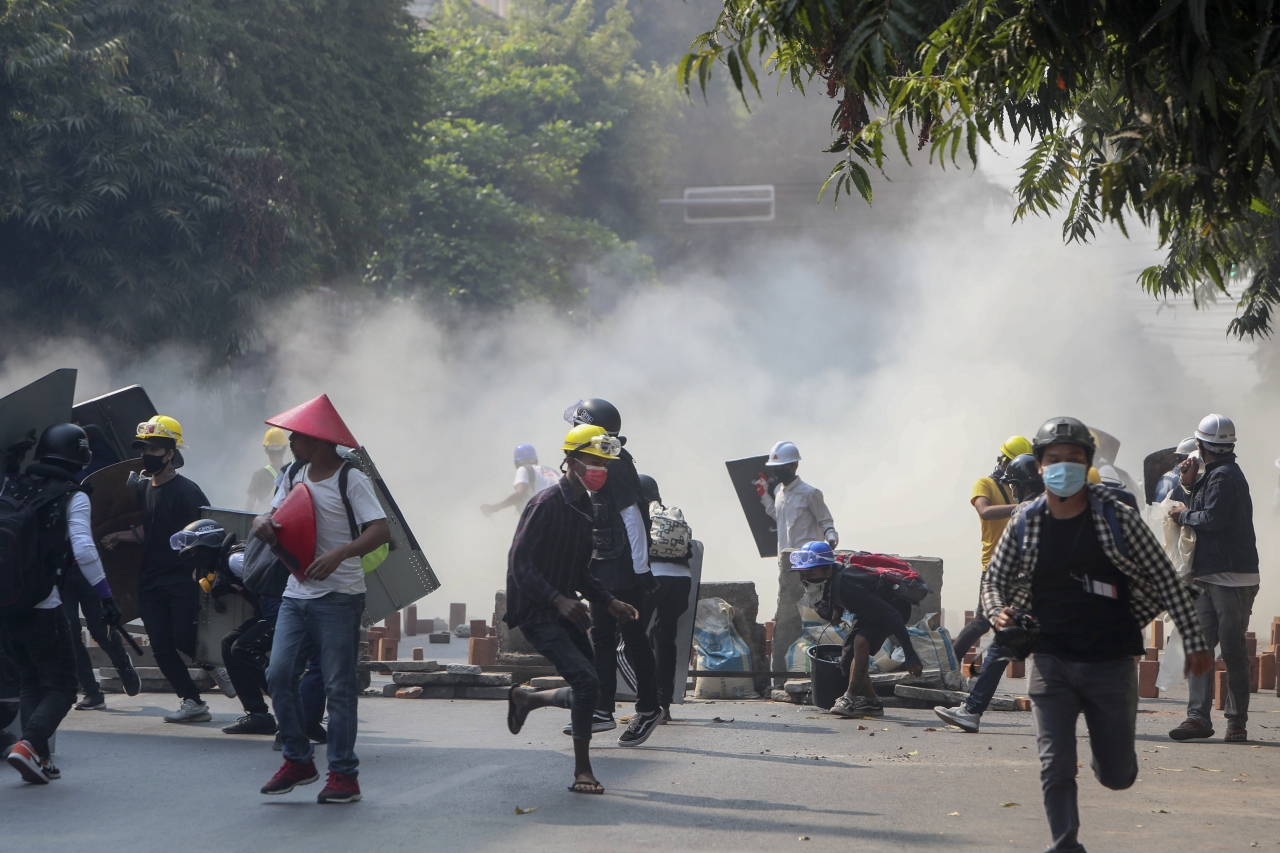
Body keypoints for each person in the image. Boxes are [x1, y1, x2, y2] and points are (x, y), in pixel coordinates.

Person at [983, 416, 1211, 853]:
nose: (1063, 466)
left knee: (1116, 773)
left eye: (1073, 459)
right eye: (1054, 460)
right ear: (1040, 466)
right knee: (1055, 764)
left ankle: (1110, 757)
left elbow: (1165, 579)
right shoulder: (1026, 521)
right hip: (1050, 659)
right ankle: (1065, 844)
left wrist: (1196, 641)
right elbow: (994, 580)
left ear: (1086, 463)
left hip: (1110, 661)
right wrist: (998, 613)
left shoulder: (1117, 518)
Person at [255, 395, 390, 805]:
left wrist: (340, 554)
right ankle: (298, 759)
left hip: (340, 597)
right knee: (278, 674)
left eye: (297, 436)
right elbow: (275, 514)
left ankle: (343, 776)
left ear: (317, 440)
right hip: (296, 592)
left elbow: (381, 530)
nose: (291, 442)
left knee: (339, 687)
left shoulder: (351, 479)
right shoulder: (292, 472)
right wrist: (263, 523)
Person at [503, 424, 639, 794]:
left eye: (604, 462)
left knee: (590, 687)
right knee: (586, 680)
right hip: (536, 609)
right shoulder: (545, 503)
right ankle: (582, 771)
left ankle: (527, 698)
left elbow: (581, 572)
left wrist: (610, 602)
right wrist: (557, 599)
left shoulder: (585, 508)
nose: (600, 468)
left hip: (566, 608)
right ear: (572, 460)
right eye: (594, 460)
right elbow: (519, 564)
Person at [2, 424, 125, 784]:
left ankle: (40, 758)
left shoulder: (14, 485)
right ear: (80, 455)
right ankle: (29, 745)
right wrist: (105, 596)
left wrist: (12, 461)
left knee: (29, 683)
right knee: (61, 687)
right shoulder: (74, 495)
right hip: (45, 603)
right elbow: (85, 550)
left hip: (7, 603)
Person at [100, 415, 230, 722]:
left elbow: (210, 532)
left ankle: (216, 664)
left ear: (171, 453)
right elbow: (152, 527)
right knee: (160, 645)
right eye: (144, 448)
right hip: (151, 579)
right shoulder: (145, 489)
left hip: (183, 578)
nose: (147, 455)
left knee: (184, 636)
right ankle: (193, 702)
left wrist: (206, 573)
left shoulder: (188, 491)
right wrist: (121, 535)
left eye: (155, 449)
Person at [563, 403, 661, 745]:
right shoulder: (597, 461)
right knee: (601, 640)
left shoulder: (614, 464)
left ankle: (649, 709)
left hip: (623, 570)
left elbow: (632, 518)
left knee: (634, 641)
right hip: (604, 566)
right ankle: (602, 710)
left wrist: (641, 569)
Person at [1168, 413, 1260, 743]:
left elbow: (1214, 519)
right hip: (1208, 575)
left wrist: (1183, 514)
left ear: (1202, 447)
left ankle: (1236, 721)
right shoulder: (1213, 476)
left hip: (1232, 579)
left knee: (1233, 652)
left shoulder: (1223, 476)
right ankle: (1197, 718)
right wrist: (1190, 484)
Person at [935, 453, 1043, 732]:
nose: (1013, 491)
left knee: (1001, 647)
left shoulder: (1024, 511)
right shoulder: (1061, 505)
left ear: (1021, 485)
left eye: (1014, 486)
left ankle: (971, 710)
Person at [790, 541, 922, 718]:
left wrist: (910, 654)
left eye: (811, 573)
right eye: (803, 574)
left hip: (894, 609)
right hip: (868, 610)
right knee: (847, 659)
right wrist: (837, 609)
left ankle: (849, 698)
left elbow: (893, 617)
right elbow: (837, 596)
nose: (806, 579)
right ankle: (872, 703)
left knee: (861, 642)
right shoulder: (830, 578)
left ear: (828, 570)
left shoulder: (848, 586)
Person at [952, 435, 1032, 660]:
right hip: (996, 564)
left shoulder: (1016, 489)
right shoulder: (985, 484)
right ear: (1004, 461)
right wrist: (1021, 507)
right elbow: (984, 511)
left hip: (1018, 565)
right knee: (982, 622)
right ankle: (950, 664)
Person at [637, 474, 694, 722]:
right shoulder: (671, 515)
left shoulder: (637, 512)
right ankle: (664, 707)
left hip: (653, 578)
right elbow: (689, 549)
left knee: (634, 638)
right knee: (665, 639)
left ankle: (646, 707)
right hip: (682, 580)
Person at [757, 441, 838, 553]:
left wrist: (831, 536)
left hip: (808, 558)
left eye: (782, 467)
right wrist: (764, 496)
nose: (778, 471)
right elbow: (780, 518)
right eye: (776, 467)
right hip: (785, 558)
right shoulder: (778, 492)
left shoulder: (809, 493)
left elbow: (825, 520)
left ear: (795, 465)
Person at [481, 445, 559, 517]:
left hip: (549, 512)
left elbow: (520, 493)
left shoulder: (523, 469)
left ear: (516, 463)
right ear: (536, 460)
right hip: (564, 511)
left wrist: (494, 507)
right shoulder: (551, 471)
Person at [246, 427, 289, 512]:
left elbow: (250, 505)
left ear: (266, 450)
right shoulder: (291, 473)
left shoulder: (258, 475)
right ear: (284, 449)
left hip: (264, 522)